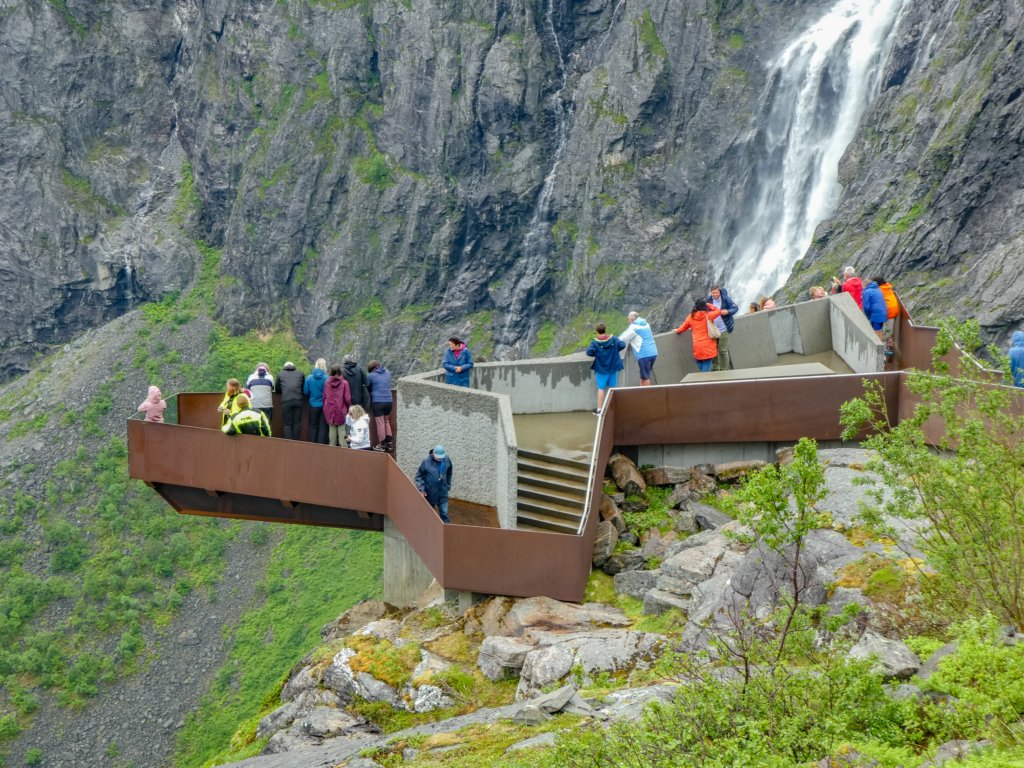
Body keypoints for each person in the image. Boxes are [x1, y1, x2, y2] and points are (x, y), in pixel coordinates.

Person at [585, 323, 626, 415]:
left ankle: (600, 410)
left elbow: (589, 352)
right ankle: (613, 408)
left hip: (601, 368)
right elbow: (622, 345)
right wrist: (615, 349)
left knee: (601, 388)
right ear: (605, 330)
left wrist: (597, 353)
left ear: (597, 332)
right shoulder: (614, 339)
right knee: (612, 388)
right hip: (613, 367)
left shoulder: (595, 342)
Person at [674, 299, 723, 372]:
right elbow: (719, 311)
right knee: (706, 369)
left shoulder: (691, 316)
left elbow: (684, 326)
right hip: (708, 345)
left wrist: (677, 330)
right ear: (704, 307)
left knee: (698, 360)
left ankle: (705, 378)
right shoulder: (708, 315)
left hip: (697, 345)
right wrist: (709, 304)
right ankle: (705, 381)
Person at [619, 311, 659, 386]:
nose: (628, 321)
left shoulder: (634, 327)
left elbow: (623, 338)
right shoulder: (646, 324)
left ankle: (647, 396)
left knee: (646, 376)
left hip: (644, 354)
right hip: (653, 352)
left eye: (628, 319)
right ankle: (641, 392)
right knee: (643, 374)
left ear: (631, 319)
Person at [415, 445, 453, 524]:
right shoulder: (426, 461)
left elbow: (449, 472)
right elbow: (419, 476)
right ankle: (426, 529)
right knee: (428, 515)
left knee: (444, 514)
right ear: (433, 453)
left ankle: (446, 531)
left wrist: (448, 485)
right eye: (438, 457)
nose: (440, 458)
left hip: (443, 493)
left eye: (441, 457)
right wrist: (421, 489)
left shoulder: (446, 459)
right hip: (430, 494)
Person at [706, 286, 739, 371]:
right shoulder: (709, 300)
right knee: (714, 350)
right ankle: (716, 368)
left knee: (723, 350)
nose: (715, 294)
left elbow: (735, 308)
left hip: (724, 328)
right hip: (714, 329)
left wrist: (728, 312)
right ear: (710, 292)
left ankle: (724, 370)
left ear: (719, 291)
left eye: (716, 292)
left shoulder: (725, 299)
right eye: (713, 293)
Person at [367, 360, 394, 451]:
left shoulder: (371, 376)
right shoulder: (388, 373)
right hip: (389, 401)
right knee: (386, 422)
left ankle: (381, 445)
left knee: (380, 424)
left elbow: (368, 387)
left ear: (371, 369)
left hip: (378, 401)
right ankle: (390, 444)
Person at [323, 365, 352, 447]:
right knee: (342, 431)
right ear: (340, 372)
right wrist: (347, 407)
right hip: (341, 409)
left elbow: (324, 397)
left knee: (332, 431)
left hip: (329, 409)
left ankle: (331, 452)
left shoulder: (327, 382)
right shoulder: (345, 383)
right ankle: (344, 450)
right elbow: (347, 398)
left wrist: (325, 407)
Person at [275, 361, 305, 440]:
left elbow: (277, 389)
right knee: (296, 423)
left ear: (284, 366)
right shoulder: (300, 373)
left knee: (287, 424)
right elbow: (303, 387)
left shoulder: (280, 374)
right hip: (298, 400)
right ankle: (296, 441)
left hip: (286, 401)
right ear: (293, 366)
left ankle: (289, 442)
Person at [303, 358, 329, 444]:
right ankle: (321, 445)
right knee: (323, 426)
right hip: (324, 405)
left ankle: (312, 444)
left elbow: (305, 392)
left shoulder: (309, 378)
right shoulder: (327, 378)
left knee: (313, 426)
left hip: (313, 405)